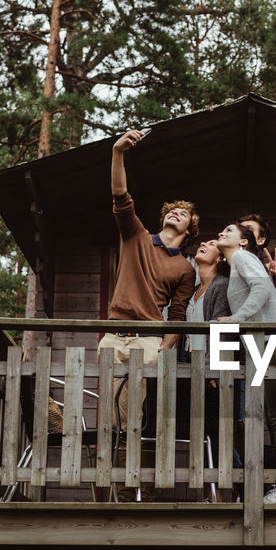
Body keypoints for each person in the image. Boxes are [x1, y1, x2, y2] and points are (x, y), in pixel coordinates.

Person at [98, 128, 197, 443]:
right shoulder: (136, 235)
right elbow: (120, 197)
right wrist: (117, 152)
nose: (176, 211)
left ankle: (130, 489)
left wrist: (164, 349)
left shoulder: (184, 268)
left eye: (184, 213)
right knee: (110, 420)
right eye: (172, 209)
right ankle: (112, 485)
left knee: (135, 418)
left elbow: (178, 314)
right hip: (113, 337)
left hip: (149, 342)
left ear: (190, 228)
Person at [215, 222, 276, 503]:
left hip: (273, 341)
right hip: (262, 344)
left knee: (275, 416)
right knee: (267, 415)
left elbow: (261, 287)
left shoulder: (241, 257)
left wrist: (239, 318)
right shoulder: (236, 261)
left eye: (229, 231)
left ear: (243, 242)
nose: (221, 233)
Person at [185, 238, 232, 500]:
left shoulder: (221, 286)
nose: (203, 243)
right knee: (198, 434)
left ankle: (223, 498)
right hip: (191, 371)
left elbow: (223, 330)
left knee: (217, 435)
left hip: (212, 373)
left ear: (221, 258)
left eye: (212, 244)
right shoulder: (193, 292)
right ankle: (205, 495)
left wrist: (216, 370)